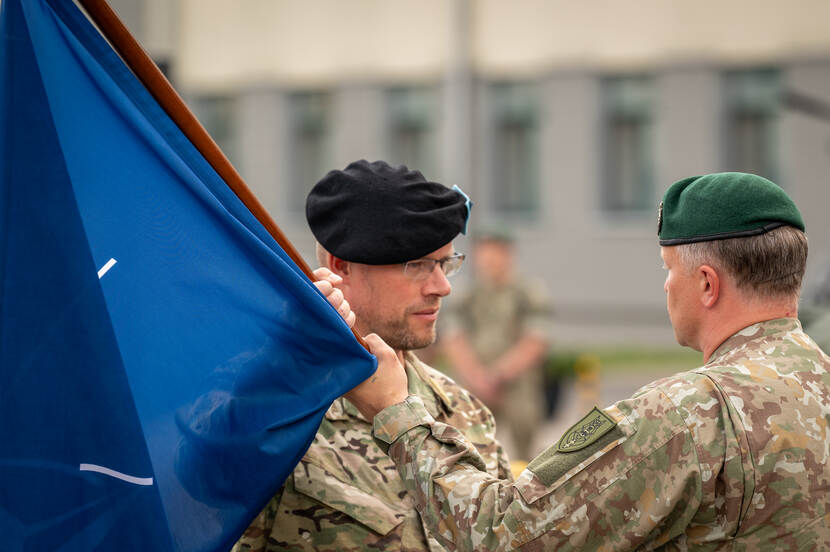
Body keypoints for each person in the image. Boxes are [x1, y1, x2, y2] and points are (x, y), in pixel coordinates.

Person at [344, 172, 830, 550]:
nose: (665, 286)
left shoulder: (684, 415)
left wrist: (399, 413)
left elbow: (500, 533)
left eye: (668, 271)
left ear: (707, 283)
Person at [232, 160, 511, 552]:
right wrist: (282, 357)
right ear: (340, 265)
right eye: (417, 265)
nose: (442, 286)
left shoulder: (465, 413)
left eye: (446, 263)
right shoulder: (274, 405)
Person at [442, 228, 553, 460]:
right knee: (470, 448)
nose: (488, 261)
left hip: (518, 383)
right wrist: (476, 376)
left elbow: (536, 340)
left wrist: (498, 375)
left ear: (508, 254)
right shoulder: (467, 294)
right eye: (483, 254)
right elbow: (453, 338)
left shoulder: (527, 293)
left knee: (526, 450)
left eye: (494, 254)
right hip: (474, 384)